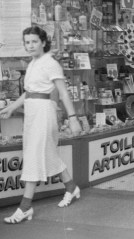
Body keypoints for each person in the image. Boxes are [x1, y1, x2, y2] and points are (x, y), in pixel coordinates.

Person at [0, 26, 82, 224]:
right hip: (32, 112)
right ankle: (71, 188)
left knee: (34, 156)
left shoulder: (50, 63)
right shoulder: (33, 64)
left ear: (43, 42)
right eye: (27, 42)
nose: (30, 46)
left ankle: (25, 207)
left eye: (34, 41)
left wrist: (73, 117)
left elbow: (62, 92)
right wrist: (12, 107)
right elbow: (28, 92)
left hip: (44, 112)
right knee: (46, 153)